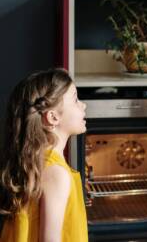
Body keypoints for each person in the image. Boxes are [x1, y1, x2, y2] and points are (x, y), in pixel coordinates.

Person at [0, 68, 88, 241]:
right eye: (76, 99)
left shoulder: (37, 161)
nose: (83, 105)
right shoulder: (57, 173)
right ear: (53, 117)